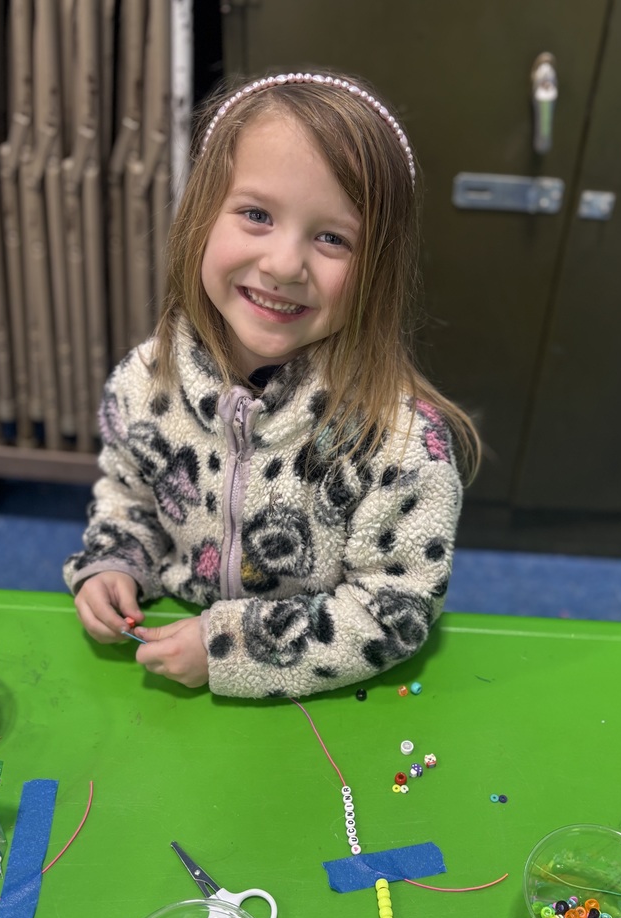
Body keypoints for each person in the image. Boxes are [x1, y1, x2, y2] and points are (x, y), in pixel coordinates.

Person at [64, 69, 481, 698]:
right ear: (201, 218)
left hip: (322, 705)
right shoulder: (145, 382)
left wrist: (232, 648)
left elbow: (393, 610)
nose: (284, 265)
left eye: (332, 238)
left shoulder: (401, 442)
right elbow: (128, 499)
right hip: (163, 664)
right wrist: (114, 563)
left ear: (379, 271)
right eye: (256, 214)